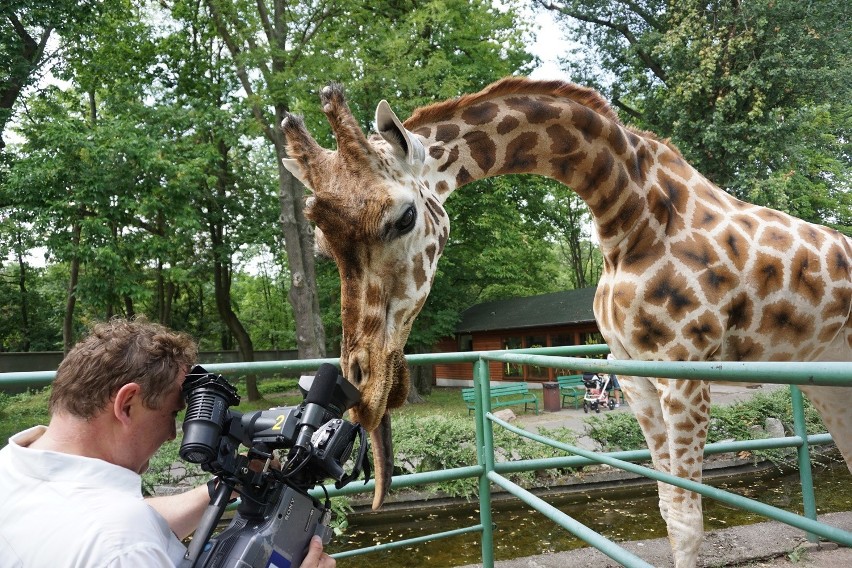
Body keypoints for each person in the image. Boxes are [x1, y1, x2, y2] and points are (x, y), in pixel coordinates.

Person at [0, 317, 334, 568]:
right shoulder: (124, 547)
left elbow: (127, 515)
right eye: (173, 414)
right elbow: (122, 532)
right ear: (127, 403)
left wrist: (228, 483)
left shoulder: (14, 468)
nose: (173, 434)